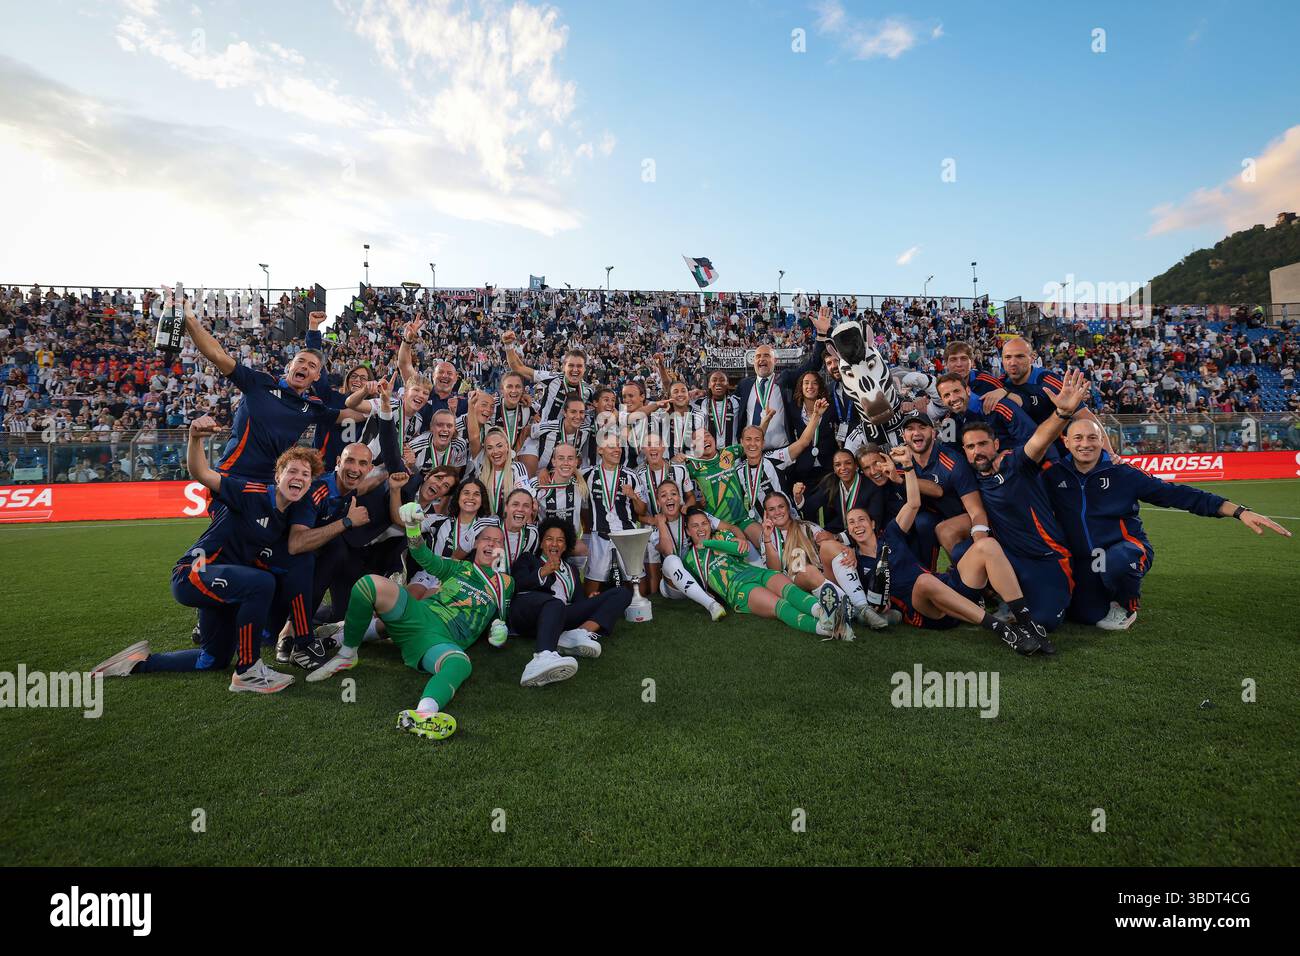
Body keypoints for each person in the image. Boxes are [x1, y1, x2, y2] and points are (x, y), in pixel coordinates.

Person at [92, 417, 327, 691]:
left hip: (225, 586)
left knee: (212, 659)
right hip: (192, 574)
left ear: (310, 484)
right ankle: (248, 671)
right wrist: (195, 437)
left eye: (305, 475)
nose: (298, 477)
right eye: (292, 471)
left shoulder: (287, 517)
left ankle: (136, 662)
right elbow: (202, 473)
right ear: (278, 475)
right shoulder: (252, 493)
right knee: (262, 583)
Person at [1046, 416, 1291, 629]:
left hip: (1125, 550)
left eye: (1092, 437)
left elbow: (1179, 494)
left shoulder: (1124, 474)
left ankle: (1127, 606)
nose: (1085, 444)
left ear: (1103, 441)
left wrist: (1240, 512)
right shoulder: (1053, 474)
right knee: (1085, 616)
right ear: (1066, 442)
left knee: (1117, 562)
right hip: (1084, 560)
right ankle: (1101, 594)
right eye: (1078, 438)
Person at [308, 517, 515, 742]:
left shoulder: (505, 583)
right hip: (419, 614)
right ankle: (347, 652)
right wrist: (414, 527)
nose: (492, 544)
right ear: (475, 544)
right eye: (487, 539)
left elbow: (498, 619)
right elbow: (423, 556)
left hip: (440, 639)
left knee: (459, 663)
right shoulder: (459, 567)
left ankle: (424, 713)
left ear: (503, 550)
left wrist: (498, 634)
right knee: (368, 584)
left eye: (498, 541)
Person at [838, 447, 1042, 654]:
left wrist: (907, 466)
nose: (857, 525)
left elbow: (914, 503)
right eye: (851, 523)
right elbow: (868, 601)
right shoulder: (855, 563)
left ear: (872, 524)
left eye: (861, 519)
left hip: (946, 587)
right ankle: (1003, 629)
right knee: (924, 582)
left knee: (987, 546)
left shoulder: (890, 533)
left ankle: (1028, 623)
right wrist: (880, 608)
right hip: (923, 608)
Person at [959, 368, 1091, 634]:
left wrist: (1062, 414)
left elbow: (1039, 440)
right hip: (1010, 558)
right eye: (971, 447)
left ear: (996, 444)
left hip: (1046, 558)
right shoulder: (974, 476)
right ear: (965, 452)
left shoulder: (1015, 462)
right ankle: (999, 597)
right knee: (961, 551)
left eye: (983, 444)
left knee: (1046, 622)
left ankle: (1030, 599)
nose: (977, 451)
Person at [668, 509, 848, 639]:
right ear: (688, 531)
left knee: (789, 589)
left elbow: (742, 551)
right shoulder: (689, 560)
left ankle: (826, 612)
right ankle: (824, 629)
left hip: (754, 573)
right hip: (738, 589)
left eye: (704, 523)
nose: (701, 528)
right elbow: (691, 586)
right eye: (695, 526)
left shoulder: (721, 536)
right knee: (781, 605)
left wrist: (708, 543)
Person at [508, 517, 633, 686]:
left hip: (561, 615)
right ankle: (541, 657)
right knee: (555, 603)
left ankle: (578, 634)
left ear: (565, 546)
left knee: (622, 593)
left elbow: (577, 602)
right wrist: (542, 573)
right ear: (541, 543)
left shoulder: (571, 569)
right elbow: (518, 584)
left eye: (560, 540)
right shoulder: (529, 559)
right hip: (529, 613)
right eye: (549, 539)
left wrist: (590, 602)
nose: (554, 544)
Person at [759, 490, 886, 629]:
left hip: (823, 578)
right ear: (766, 514)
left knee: (826, 545)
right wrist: (766, 538)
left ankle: (862, 607)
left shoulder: (807, 526)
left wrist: (847, 550)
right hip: (794, 584)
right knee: (799, 557)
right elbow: (774, 572)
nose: (777, 512)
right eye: (771, 509)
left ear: (788, 508)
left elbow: (830, 546)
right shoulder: (767, 536)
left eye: (781, 507)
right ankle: (853, 609)